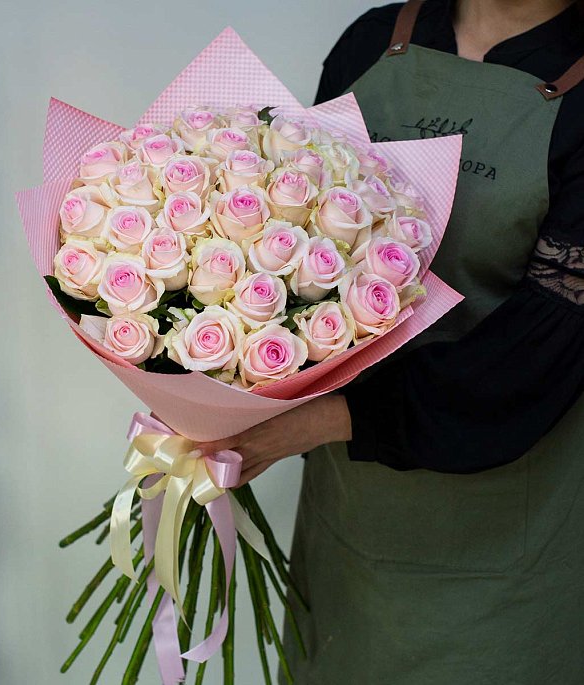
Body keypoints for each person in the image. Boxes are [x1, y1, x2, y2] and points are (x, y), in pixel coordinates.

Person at [196, 0, 584, 682]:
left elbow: (540, 353)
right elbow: (295, 245)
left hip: (504, 529)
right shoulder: (374, 42)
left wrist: (312, 422)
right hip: (350, 514)